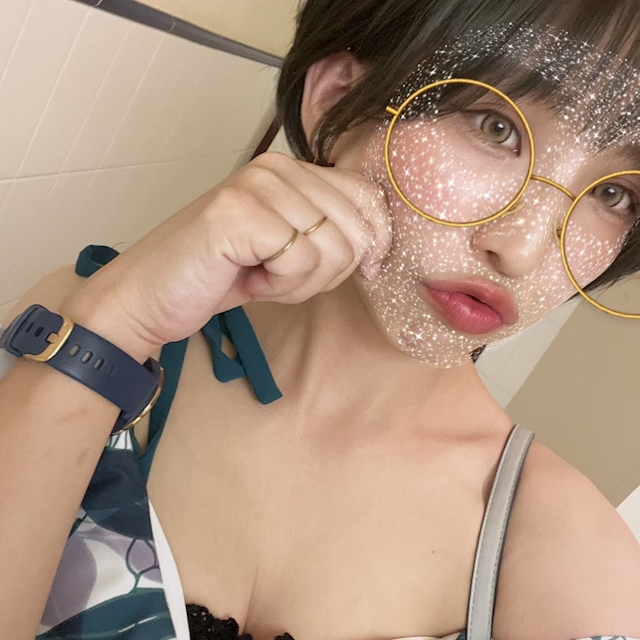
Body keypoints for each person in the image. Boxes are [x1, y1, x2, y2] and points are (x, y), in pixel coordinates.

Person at [2, 0, 640, 638]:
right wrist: (115, 328)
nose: (523, 251)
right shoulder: (85, 326)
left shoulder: (579, 559)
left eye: (613, 194)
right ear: (337, 99)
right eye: (496, 128)